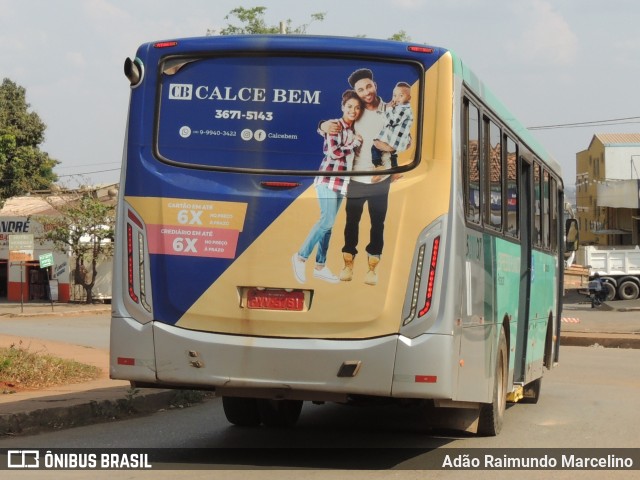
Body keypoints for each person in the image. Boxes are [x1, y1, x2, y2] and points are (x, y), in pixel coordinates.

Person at [320, 68, 399, 286]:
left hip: (380, 178)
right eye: (360, 89)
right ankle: (348, 263)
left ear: (375, 85)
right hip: (355, 177)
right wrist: (322, 126)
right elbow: (338, 124)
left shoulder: (390, 110)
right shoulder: (357, 111)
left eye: (368, 86)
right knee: (351, 222)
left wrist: (391, 153)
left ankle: (372, 268)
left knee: (378, 224)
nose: (366, 92)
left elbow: (407, 139)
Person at [292, 90, 363, 284]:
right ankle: (300, 257)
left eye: (357, 108)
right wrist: (354, 144)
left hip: (342, 183)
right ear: (343, 107)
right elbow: (333, 152)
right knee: (326, 221)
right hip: (327, 180)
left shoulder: (354, 130)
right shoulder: (335, 125)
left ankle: (320, 266)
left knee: (328, 226)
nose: (353, 111)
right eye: (350, 106)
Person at [371, 81, 413, 170]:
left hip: (395, 141)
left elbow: (392, 121)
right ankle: (394, 168)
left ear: (409, 98)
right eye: (394, 95)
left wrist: (389, 109)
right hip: (395, 140)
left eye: (401, 96)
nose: (396, 98)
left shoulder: (403, 110)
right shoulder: (400, 108)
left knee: (375, 146)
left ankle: (378, 165)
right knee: (392, 154)